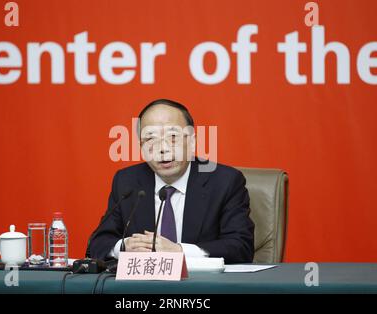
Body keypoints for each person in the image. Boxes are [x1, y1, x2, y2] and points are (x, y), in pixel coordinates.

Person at [86, 99, 254, 264]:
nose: (163, 148)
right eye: (150, 139)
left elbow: (241, 247)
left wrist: (179, 251)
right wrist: (123, 247)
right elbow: (97, 244)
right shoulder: (127, 181)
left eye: (173, 136)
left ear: (192, 141)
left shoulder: (225, 181)